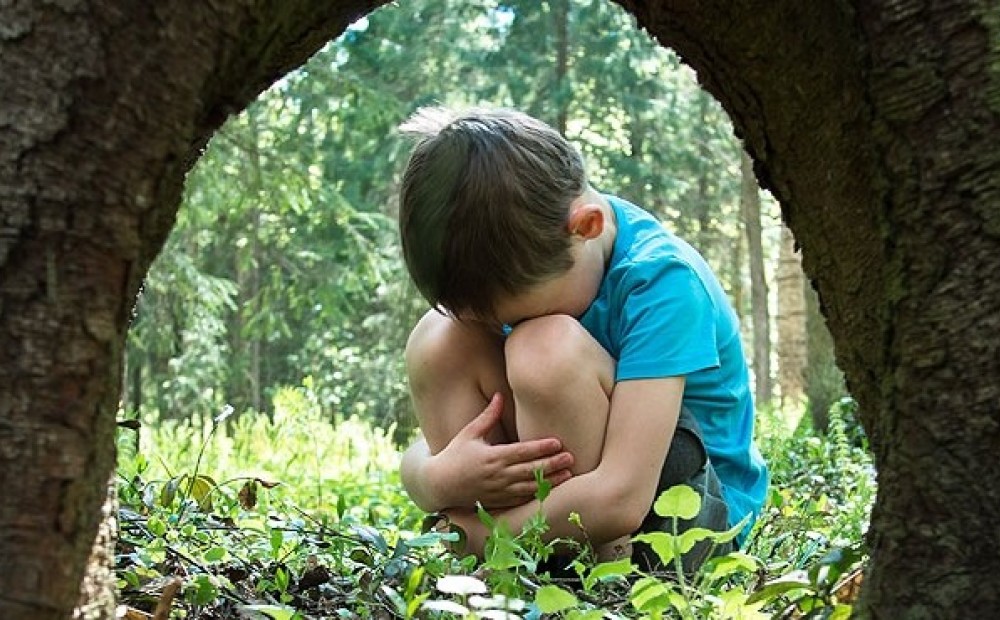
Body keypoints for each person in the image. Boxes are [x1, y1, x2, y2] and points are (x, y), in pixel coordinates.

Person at [395, 106, 768, 571]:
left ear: (586, 227)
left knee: (543, 349)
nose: (514, 326)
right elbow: (419, 456)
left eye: (525, 311)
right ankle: (516, 576)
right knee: (441, 336)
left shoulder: (665, 283)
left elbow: (622, 496)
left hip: (685, 515)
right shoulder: (526, 241)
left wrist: (474, 540)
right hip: (562, 497)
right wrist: (436, 480)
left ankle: (596, 576)